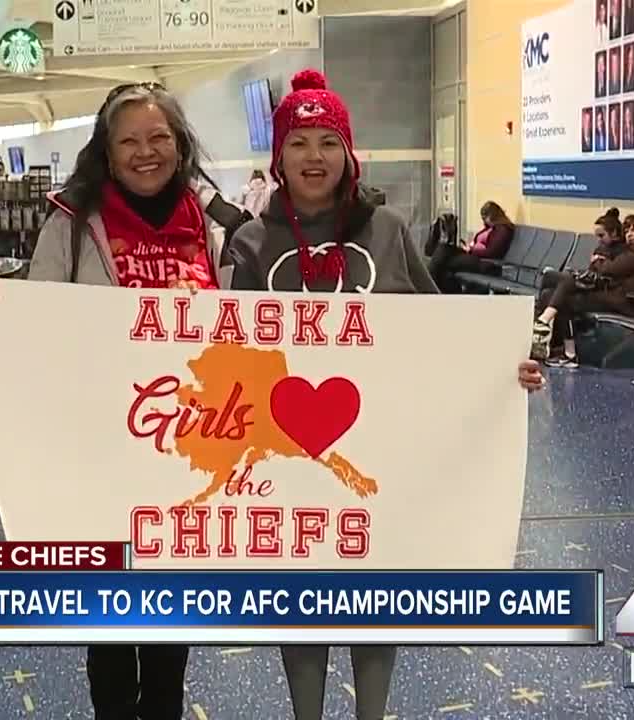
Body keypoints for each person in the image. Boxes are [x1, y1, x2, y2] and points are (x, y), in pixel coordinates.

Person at [225, 68, 544, 720]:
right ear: (278, 156)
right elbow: (226, 350)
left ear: (348, 153)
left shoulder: (390, 230)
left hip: (379, 457)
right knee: (301, 600)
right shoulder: (252, 242)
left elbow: (439, 331)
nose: (314, 157)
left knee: (374, 590)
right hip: (288, 459)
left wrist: (503, 366)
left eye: (327, 142)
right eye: (299, 141)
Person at [0, 81, 249, 720]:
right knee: (111, 615)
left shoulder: (212, 223)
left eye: (159, 138)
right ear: (107, 154)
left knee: (172, 622)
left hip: (188, 449)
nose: (147, 153)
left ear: (180, 144)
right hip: (99, 446)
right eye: (130, 142)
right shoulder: (72, 223)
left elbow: (253, 320)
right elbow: (34, 318)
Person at [531, 210, 634, 367]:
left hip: (627, 302)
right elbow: (607, 270)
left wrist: (598, 262)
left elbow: (610, 269)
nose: (629, 234)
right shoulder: (633, 250)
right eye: (627, 231)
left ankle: (558, 342)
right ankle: (550, 340)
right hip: (615, 296)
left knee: (566, 294)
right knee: (551, 292)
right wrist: (599, 264)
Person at [428, 201, 515, 293]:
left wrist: (472, 249)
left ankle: (430, 283)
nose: (484, 220)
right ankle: (432, 282)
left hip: (484, 262)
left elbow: (492, 251)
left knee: (445, 263)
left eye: (485, 217)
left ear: (494, 215)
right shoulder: (491, 228)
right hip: (474, 256)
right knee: (445, 250)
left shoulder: (503, 229)